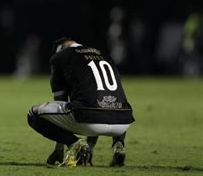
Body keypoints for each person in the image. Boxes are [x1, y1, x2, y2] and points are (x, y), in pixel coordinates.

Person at [27, 37, 135, 167]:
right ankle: (119, 144)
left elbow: (60, 102)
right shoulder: (103, 54)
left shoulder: (60, 56)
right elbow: (99, 97)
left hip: (90, 119)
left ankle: (75, 144)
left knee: (33, 114)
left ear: (60, 49)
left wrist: (59, 148)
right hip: (122, 122)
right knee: (111, 101)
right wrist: (90, 147)